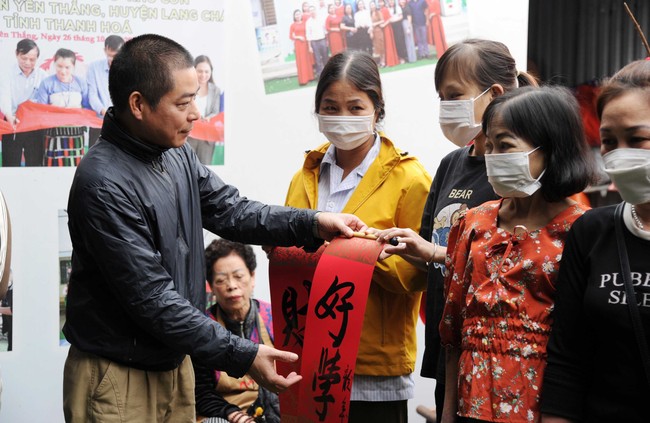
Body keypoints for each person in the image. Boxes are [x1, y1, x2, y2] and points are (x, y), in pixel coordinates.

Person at [62, 34, 366, 423]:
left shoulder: (176, 153)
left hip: (175, 364)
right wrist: (244, 354)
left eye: (196, 99)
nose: (196, 114)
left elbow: (232, 211)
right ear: (138, 104)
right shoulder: (102, 184)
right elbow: (153, 299)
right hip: (117, 376)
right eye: (183, 103)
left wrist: (310, 224)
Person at [374, 38, 537, 423]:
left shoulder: (513, 171)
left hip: (494, 350)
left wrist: (434, 253)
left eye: (454, 95)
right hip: (448, 342)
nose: (446, 108)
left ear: (493, 94)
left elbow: (516, 262)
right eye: (441, 98)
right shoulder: (451, 163)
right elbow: (430, 241)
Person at [285, 50, 432, 423]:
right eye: (330, 107)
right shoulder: (306, 173)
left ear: (377, 109)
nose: (342, 118)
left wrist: (364, 257)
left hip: (374, 366)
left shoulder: (409, 178)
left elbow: (419, 273)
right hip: (310, 356)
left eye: (355, 107)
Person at [437, 86, 594, 422]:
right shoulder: (472, 223)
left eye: (505, 146)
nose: (493, 157)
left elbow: (582, 351)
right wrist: (447, 415)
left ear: (551, 148)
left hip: (543, 411)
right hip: (471, 407)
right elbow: (452, 335)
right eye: (489, 146)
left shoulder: (583, 231)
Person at [540, 59, 650, 423]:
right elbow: (567, 360)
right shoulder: (590, 231)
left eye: (637, 139)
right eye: (608, 142)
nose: (619, 154)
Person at [195, 240, 279, 423]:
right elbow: (200, 392)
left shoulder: (275, 318)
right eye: (221, 280)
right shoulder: (203, 328)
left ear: (252, 277)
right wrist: (235, 416)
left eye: (238, 276)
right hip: (226, 416)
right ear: (211, 286)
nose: (232, 285)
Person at [33, 48, 89, 167]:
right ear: (54, 65)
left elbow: (86, 107)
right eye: (59, 66)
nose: (63, 71)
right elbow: (41, 109)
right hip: (54, 133)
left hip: (75, 133)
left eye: (67, 67)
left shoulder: (81, 83)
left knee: (76, 167)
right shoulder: (47, 83)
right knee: (53, 165)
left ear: (73, 67)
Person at [0, 39, 47, 167]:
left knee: (35, 163)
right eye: (24, 58)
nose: (27, 63)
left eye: (32, 59)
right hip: (12, 123)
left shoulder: (42, 76)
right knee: (10, 163)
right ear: (16, 54)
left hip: (34, 126)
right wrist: (9, 115)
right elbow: (4, 96)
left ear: (37, 58)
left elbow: (44, 102)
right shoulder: (6, 73)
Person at [86, 35, 124, 149]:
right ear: (105, 50)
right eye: (110, 56)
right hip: (99, 122)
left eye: (117, 56)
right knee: (95, 158)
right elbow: (92, 95)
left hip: (122, 124)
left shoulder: (129, 69)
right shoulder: (94, 67)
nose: (113, 59)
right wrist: (105, 112)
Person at [187, 55, 222, 165]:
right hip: (189, 135)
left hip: (207, 138)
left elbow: (215, 112)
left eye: (207, 72)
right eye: (200, 71)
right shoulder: (186, 87)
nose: (203, 75)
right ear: (194, 70)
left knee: (205, 170)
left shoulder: (215, 90)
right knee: (188, 167)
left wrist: (208, 118)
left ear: (211, 72)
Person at [289, 9, 315, 85]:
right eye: (296, 14)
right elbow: (291, 36)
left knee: (307, 60)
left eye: (299, 14)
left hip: (306, 44)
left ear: (301, 15)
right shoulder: (292, 25)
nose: (298, 16)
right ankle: (303, 80)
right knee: (301, 61)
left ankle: (310, 77)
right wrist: (298, 37)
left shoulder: (305, 23)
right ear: (294, 16)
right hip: (298, 45)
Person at [306, 5, 330, 78]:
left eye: (313, 10)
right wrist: (309, 46)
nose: (312, 11)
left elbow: (325, 31)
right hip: (314, 42)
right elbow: (308, 34)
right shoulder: (308, 22)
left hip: (322, 40)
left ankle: (327, 73)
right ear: (309, 12)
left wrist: (327, 40)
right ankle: (320, 75)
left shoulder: (321, 19)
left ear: (315, 10)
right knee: (317, 59)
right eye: (310, 10)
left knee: (325, 57)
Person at [379, 0, 399, 67]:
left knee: (388, 44)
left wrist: (384, 25)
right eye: (379, 2)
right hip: (381, 29)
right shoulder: (379, 10)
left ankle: (391, 62)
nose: (380, 3)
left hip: (387, 28)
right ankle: (386, 61)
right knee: (384, 45)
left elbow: (389, 19)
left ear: (384, 3)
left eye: (381, 2)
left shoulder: (385, 9)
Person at [370, 1, 386, 67]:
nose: (372, 6)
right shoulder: (370, 14)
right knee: (377, 47)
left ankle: (383, 61)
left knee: (381, 45)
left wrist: (375, 24)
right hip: (373, 32)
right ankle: (380, 60)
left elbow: (382, 20)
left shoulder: (378, 12)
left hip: (379, 30)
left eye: (373, 5)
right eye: (371, 5)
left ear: (375, 5)